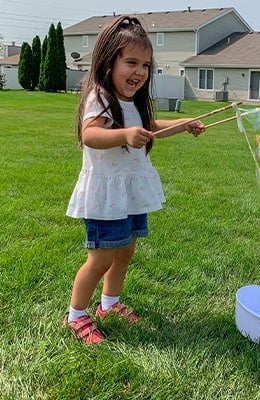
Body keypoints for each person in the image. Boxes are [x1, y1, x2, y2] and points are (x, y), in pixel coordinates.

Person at [64, 16, 205, 344]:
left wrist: (182, 124)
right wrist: (124, 135)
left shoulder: (132, 102)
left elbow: (148, 127)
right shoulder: (99, 97)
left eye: (145, 65)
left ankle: (109, 305)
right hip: (106, 194)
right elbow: (90, 135)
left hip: (128, 193)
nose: (139, 72)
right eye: (130, 62)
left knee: (125, 251)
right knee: (101, 258)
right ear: (107, 60)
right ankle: (76, 314)